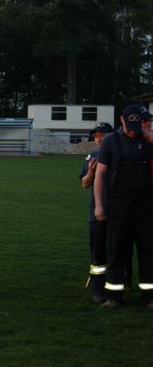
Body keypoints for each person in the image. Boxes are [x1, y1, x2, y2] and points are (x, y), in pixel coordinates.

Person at [94, 105, 153, 308]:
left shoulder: (147, 140)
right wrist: (98, 205)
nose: (133, 131)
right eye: (130, 126)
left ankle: (149, 296)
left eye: (138, 126)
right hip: (118, 204)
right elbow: (99, 174)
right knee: (116, 249)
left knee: (147, 250)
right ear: (122, 120)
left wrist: (150, 138)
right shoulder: (110, 141)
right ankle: (114, 295)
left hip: (144, 204)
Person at [79, 122, 113, 303]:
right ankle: (98, 290)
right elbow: (85, 183)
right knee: (98, 252)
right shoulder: (92, 156)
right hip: (97, 213)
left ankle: (120, 285)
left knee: (118, 250)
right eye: (96, 136)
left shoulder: (118, 153)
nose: (98, 139)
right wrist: (91, 171)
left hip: (118, 210)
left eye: (102, 135)